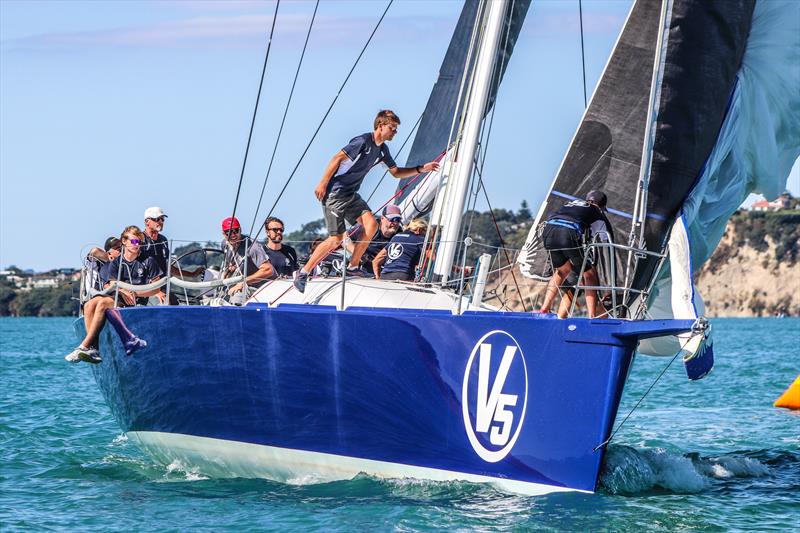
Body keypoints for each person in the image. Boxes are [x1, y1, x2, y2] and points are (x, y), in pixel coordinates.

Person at [293, 109, 440, 292]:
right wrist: (323, 183)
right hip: (335, 194)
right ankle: (304, 273)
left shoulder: (382, 150)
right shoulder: (362, 141)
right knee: (335, 239)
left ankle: (353, 267)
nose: (395, 132)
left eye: (396, 128)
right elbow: (337, 158)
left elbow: (395, 173)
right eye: (392, 127)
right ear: (380, 126)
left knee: (372, 226)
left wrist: (421, 169)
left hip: (351, 194)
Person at [65, 226, 164, 364]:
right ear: (124, 241)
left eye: (140, 242)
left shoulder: (148, 261)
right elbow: (111, 285)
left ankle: (84, 346)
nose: (138, 245)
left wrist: (135, 292)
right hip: (119, 298)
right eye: (135, 242)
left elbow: (157, 287)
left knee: (103, 304)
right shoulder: (116, 263)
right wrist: (124, 290)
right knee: (89, 305)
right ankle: (94, 348)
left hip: (137, 301)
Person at [537, 190, 613, 318]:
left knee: (562, 270)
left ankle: (544, 308)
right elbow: (606, 239)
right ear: (600, 206)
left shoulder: (571, 204)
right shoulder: (597, 212)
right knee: (590, 275)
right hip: (568, 233)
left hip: (548, 230)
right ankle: (592, 316)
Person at [139, 206, 203, 279]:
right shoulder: (139, 239)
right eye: (157, 219)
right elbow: (128, 255)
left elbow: (169, 268)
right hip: (144, 285)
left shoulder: (163, 240)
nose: (160, 222)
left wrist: (192, 274)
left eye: (162, 219)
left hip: (162, 285)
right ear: (147, 221)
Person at [221, 217, 273, 296]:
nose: (233, 235)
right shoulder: (225, 244)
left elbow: (268, 270)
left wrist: (243, 282)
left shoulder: (252, 247)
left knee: (237, 296)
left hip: (262, 289)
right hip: (239, 285)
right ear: (223, 233)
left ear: (240, 230)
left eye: (235, 231)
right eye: (228, 232)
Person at [347, 204, 402, 275]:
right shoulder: (370, 227)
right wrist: (358, 254)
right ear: (382, 218)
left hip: (381, 269)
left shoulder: (400, 235)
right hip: (361, 265)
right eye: (392, 219)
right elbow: (344, 238)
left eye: (398, 220)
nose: (395, 223)